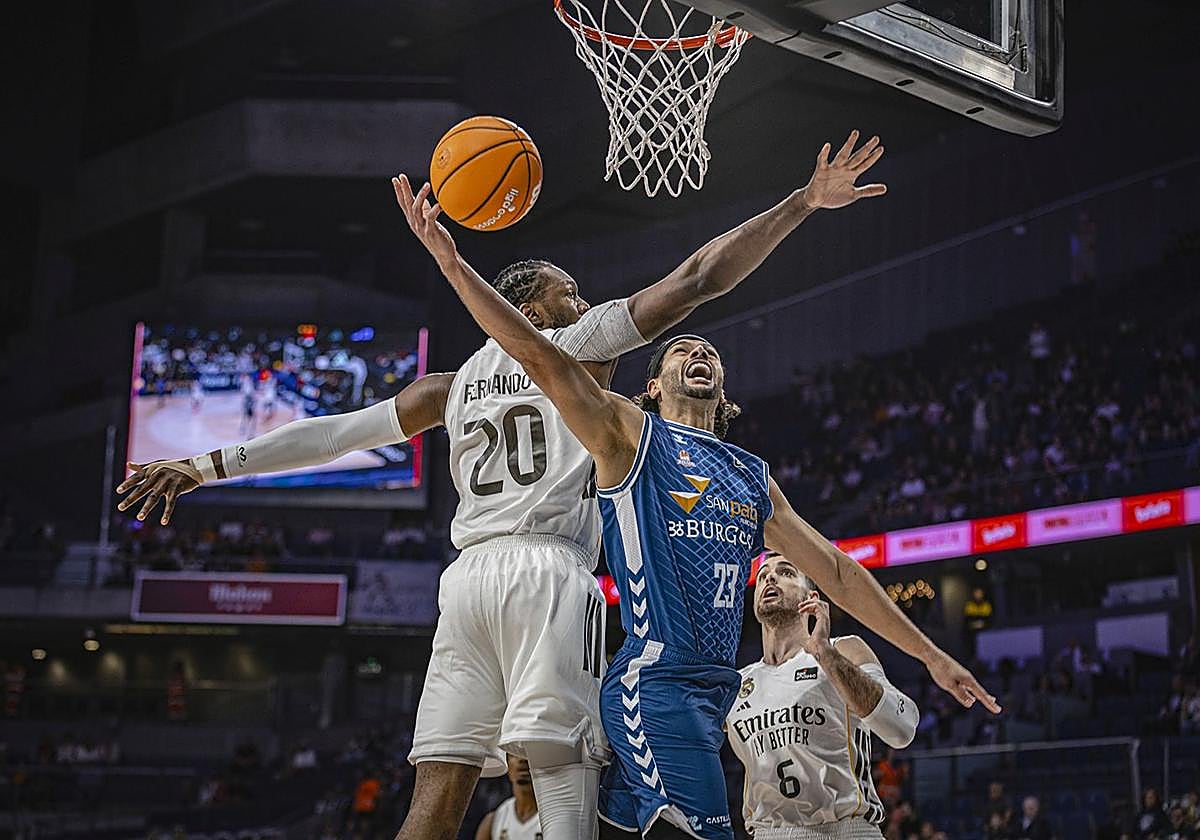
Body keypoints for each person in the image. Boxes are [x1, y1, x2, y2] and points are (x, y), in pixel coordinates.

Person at [116, 130, 889, 840]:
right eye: (569, 292)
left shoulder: (447, 387)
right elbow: (697, 279)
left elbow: (332, 435)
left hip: (466, 585)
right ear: (529, 308)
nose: (582, 303)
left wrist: (205, 465)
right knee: (564, 785)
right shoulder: (577, 343)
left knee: (437, 792)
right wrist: (800, 203)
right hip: (548, 573)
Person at [415, 153, 999, 839]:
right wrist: (454, 266)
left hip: (715, 693)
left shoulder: (751, 475)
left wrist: (930, 655)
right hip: (655, 686)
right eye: (681, 350)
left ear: (724, 389)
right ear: (652, 385)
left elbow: (839, 574)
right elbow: (545, 356)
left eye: (710, 353)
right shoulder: (626, 433)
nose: (699, 353)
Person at [726, 553, 919, 837]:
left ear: (811, 598)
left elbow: (902, 728)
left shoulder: (843, 650)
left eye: (786, 572)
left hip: (846, 830)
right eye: (763, 574)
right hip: (769, 832)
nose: (770, 577)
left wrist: (825, 654)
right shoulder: (738, 682)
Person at [476, 755, 542, 840]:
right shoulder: (493, 820)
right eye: (514, 754)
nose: (522, 759)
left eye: (527, 754)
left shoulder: (553, 816)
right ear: (507, 767)